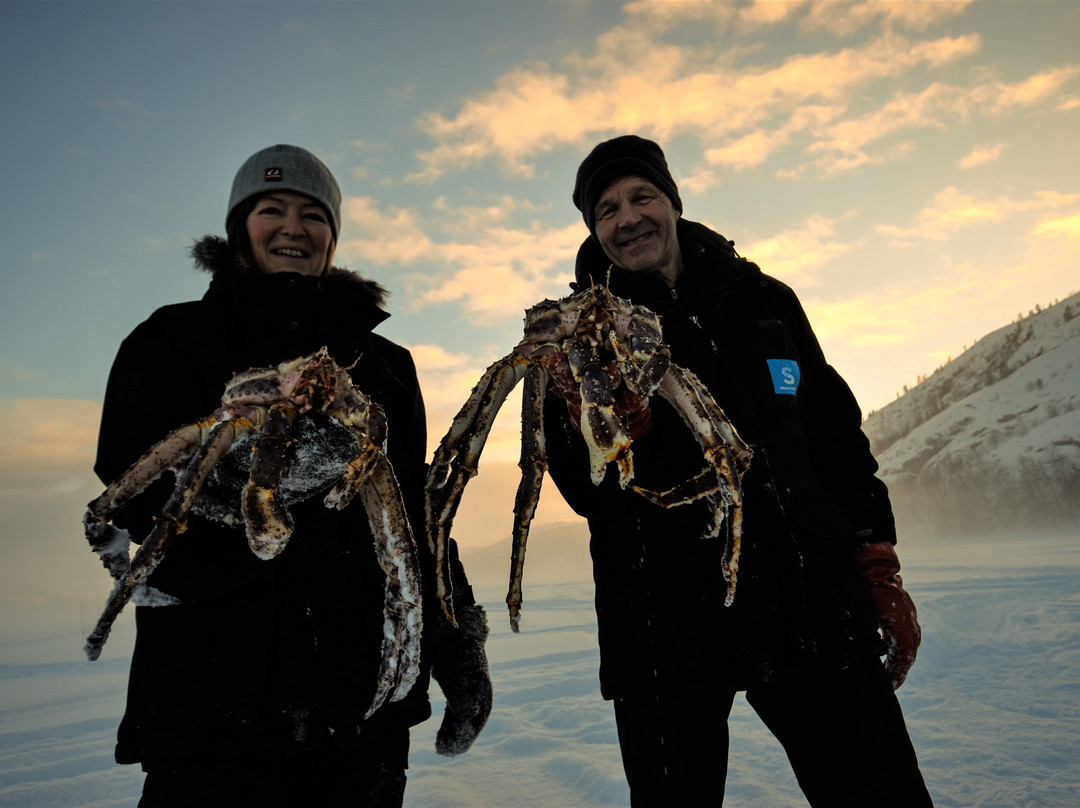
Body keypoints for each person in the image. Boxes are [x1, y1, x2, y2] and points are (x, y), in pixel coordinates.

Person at [91, 144, 491, 807]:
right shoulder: (168, 343)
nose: (292, 227)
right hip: (211, 714)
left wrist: (455, 639)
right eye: (270, 209)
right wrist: (256, 470)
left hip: (361, 717)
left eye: (313, 214)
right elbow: (129, 490)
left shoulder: (382, 364)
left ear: (332, 236)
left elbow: (419, 513)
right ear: (238, 227)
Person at [540, 135, 931, 806]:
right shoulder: (578, 334)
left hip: (805, 597)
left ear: (672, 202)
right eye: (606, 209)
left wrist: (874, 556)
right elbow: (582, 488)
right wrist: (601, 431)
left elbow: (834, 437)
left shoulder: (764, 302)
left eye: (642, 197)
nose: (627, 217)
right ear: (593, 229)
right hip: (665, 624)